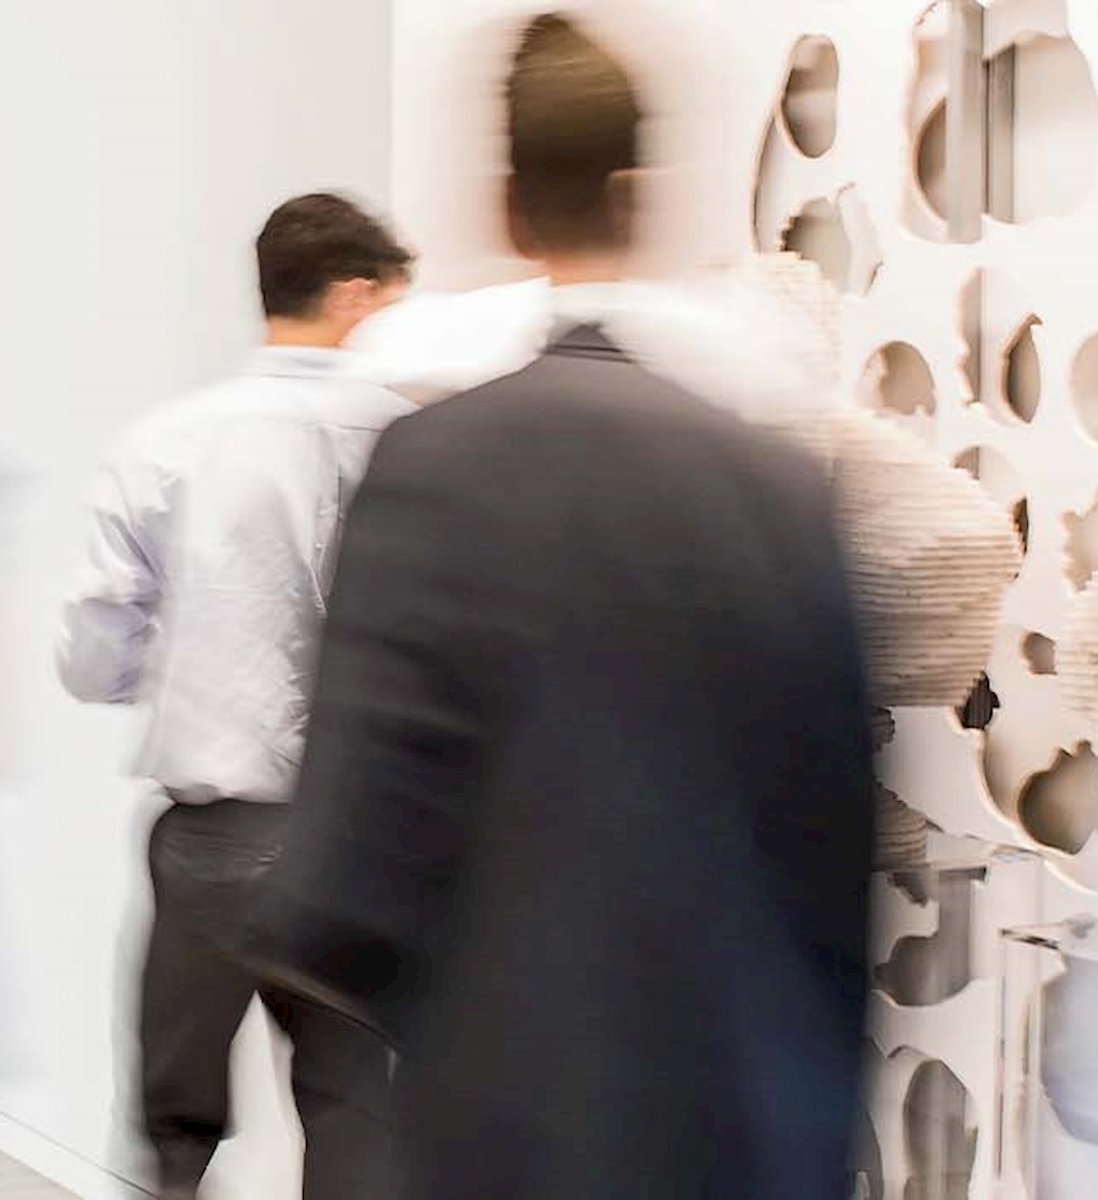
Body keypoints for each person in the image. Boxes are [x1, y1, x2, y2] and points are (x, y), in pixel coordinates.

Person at [249, 15, 876, 1199]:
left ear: (505, 206)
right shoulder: (783, 486)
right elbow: (841, 852)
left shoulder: (438, 461)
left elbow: (344, 874)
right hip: (747, 1119)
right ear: (645, 199)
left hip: (515, 1115)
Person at [57, 193, 416, 1199]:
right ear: (350, 295)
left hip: (211, 838)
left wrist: (187, 668)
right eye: (390, 300)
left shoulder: (166, 441)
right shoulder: (413, 439)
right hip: (361, 840)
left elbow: (91, 659)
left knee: (175, 1131)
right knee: (352, 1110)